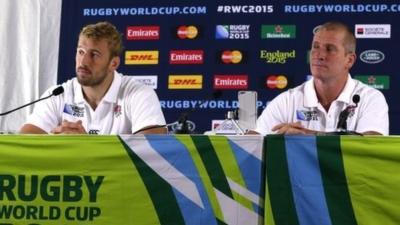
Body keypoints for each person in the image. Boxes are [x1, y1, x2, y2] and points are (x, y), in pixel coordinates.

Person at [20, 21, 166, 134]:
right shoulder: (58, 95)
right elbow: (25, 140)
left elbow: (153, 147)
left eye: (94, 55)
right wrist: (55, 139)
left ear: (113, 63)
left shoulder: (138, 94)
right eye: (81, 52)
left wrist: (86, 145)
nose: (83, 62)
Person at [253, 21, 389, 135]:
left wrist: (308, 136)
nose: (320, 55)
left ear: (349, 60)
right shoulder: (288, 101)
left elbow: (370, 147)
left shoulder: (370, 98)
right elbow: (252, 144)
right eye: (316, 47)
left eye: (330, 49)